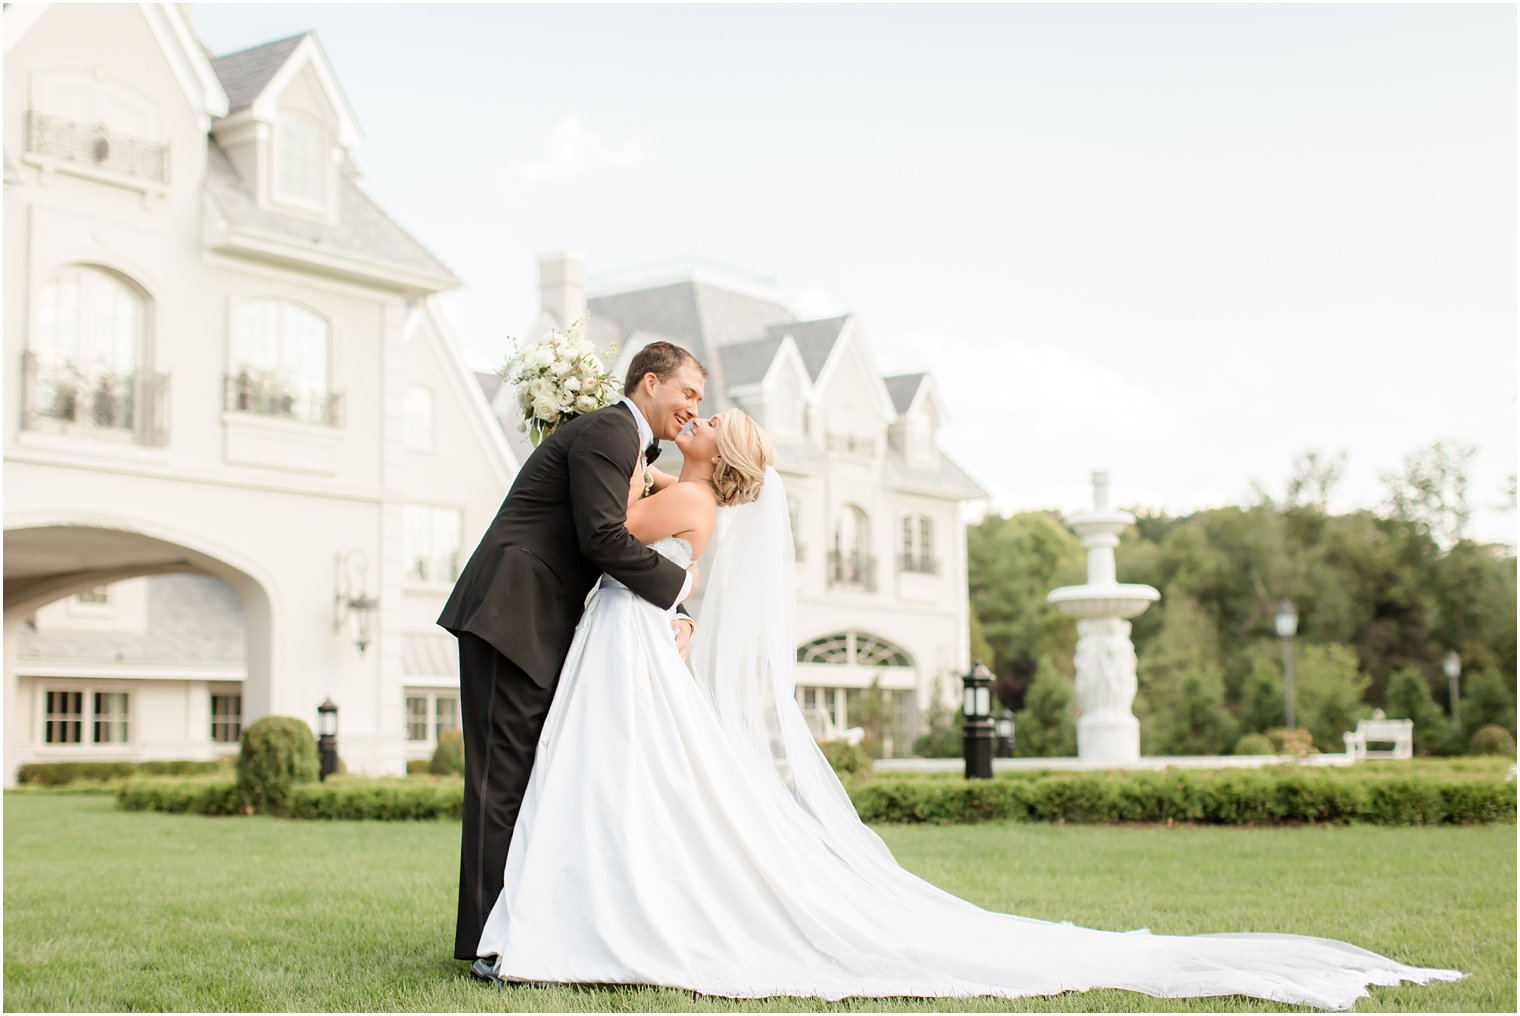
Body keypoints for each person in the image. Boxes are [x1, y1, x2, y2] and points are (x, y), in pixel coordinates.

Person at [474, 409, 1464, 1010]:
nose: (684, 424)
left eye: (697, 426)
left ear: (715, 457)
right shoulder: (698, 501)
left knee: (618, 775)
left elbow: (598, 528)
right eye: (687, 417)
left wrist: (580, 454)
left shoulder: (685, 501)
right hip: (634, 645)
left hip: (628, 648)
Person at [436, 341, 707, 979]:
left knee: (527, 776)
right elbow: (603, 538)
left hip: (536, 618)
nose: (696, 408)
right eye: (689, 393)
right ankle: (486, 943)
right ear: (650, 382)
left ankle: (519, 925)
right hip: (511, 613)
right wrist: (680, 588)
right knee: (499, 780)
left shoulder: (628, 444)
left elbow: (669, 505)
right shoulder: (610, 431)